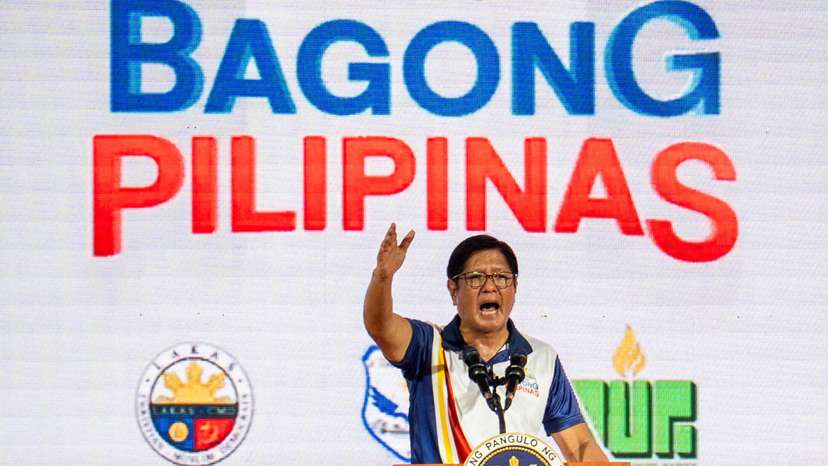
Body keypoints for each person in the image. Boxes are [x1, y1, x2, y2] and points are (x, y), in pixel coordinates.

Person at [363, 224, 608, 464]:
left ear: (515, 287)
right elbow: (380, 325)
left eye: (501, 278)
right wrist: (382, 278)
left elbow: (579, 446)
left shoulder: (542, 357)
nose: (490, 287)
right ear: (453, 290)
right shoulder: (427, 344)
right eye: (476, 278)